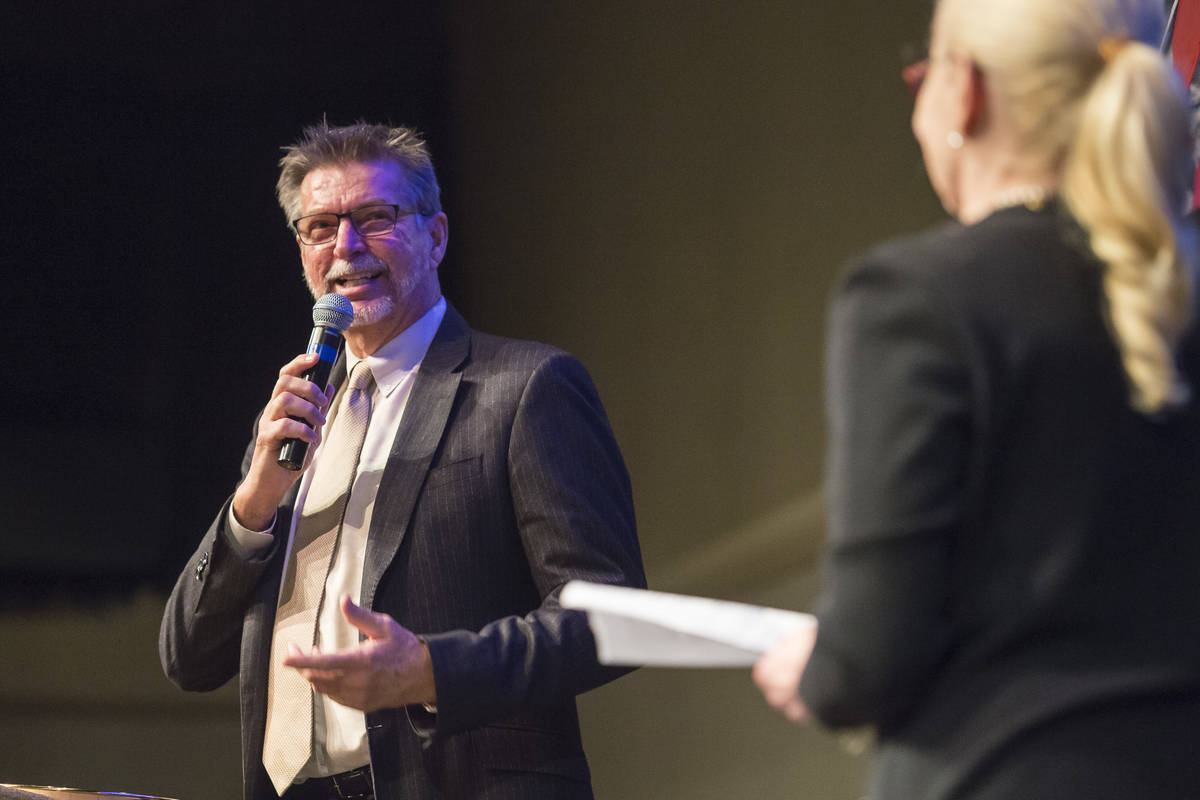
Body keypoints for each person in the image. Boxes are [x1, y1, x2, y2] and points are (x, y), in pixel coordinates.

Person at [753, 0, 1200, 797]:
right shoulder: (1178, 284)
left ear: (965, 92)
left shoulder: (916, 300)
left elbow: (867, 657)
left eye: (922, 76)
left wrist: (816, 670)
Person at [159, 121, 645, 800]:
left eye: (375, 218)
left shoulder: (524, 387)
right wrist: (255, 501)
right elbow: (186, 657)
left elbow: (611, 616)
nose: (345, 247)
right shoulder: (291, 429)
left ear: (436, 236)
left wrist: (430, 672)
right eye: (320, 227)